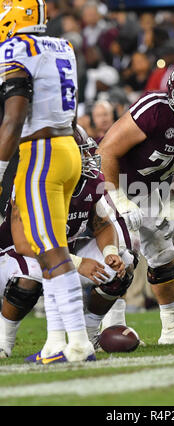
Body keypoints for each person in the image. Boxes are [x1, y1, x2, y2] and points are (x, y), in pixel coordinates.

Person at [0, 0, 102, 363]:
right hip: (67, 148)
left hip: (39, 153)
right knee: (52, 248)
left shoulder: (14, 48)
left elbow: (14, 118)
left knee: (51, 250)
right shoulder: (64, 45)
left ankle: (76, 344)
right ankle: (55, 343)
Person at [97, 61, 174, 344]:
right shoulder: (153, 109)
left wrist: (172, 201)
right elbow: (106, 151)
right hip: (113, 182)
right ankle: (110, 327)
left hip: (151, 189)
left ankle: (173, 329)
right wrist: (116, 198)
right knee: (122, 255)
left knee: (164, 254)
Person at [0, 125, 136, 359]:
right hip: (19, 256)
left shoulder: (89, 182)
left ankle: (89, 333)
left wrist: (109, 252)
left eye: (86, 152)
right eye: (80, 152)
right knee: (30, 275)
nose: (86, 158)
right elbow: (24, 243)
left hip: (63, 251)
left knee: (123, 262)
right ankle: (4, 339)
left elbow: (102, 224)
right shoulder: (32, 182)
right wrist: (76, 262)